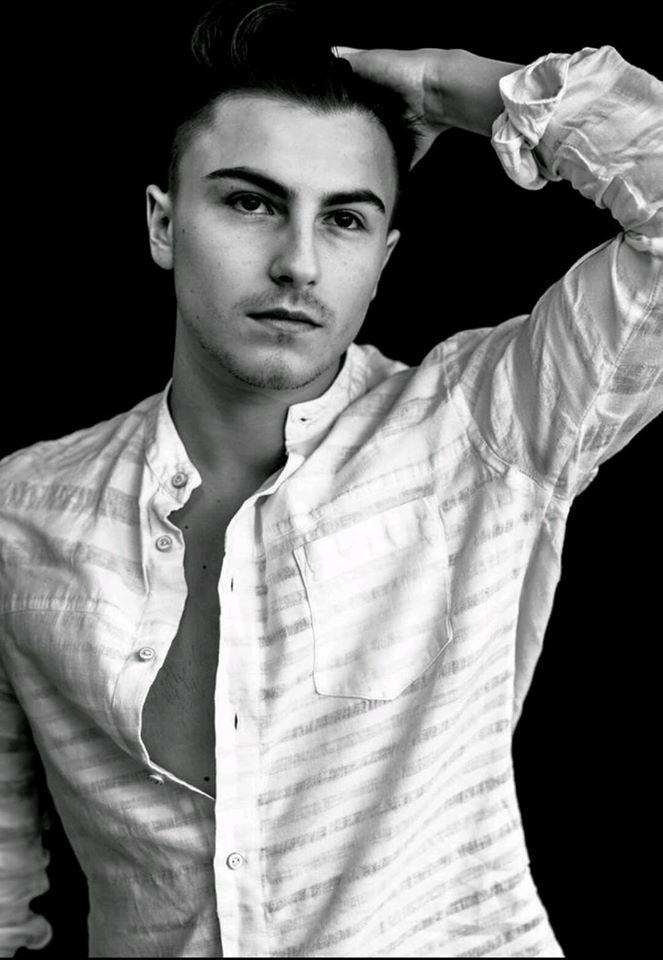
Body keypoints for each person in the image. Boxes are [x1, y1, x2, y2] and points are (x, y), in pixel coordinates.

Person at [1, 0, 661, 956]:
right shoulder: (23, 512)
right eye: (250, 203)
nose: (298, 263)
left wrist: (449, 88)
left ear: (383, 258)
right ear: (162, 224)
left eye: (344, 219)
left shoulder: (483, 430)